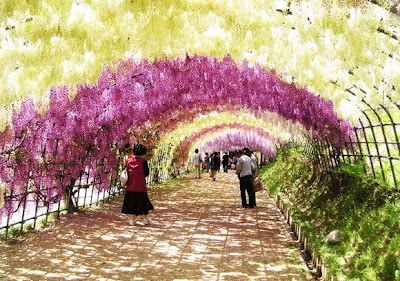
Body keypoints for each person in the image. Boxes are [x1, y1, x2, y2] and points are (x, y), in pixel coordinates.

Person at [121, 143, 154, 225]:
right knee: (143, 203)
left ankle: (131, 220)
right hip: (141, 186)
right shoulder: (144, 162)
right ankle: (146, 219)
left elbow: (125, 171)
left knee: (131, 202)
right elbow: (146, 173)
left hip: (130, 187)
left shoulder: (128, 161)